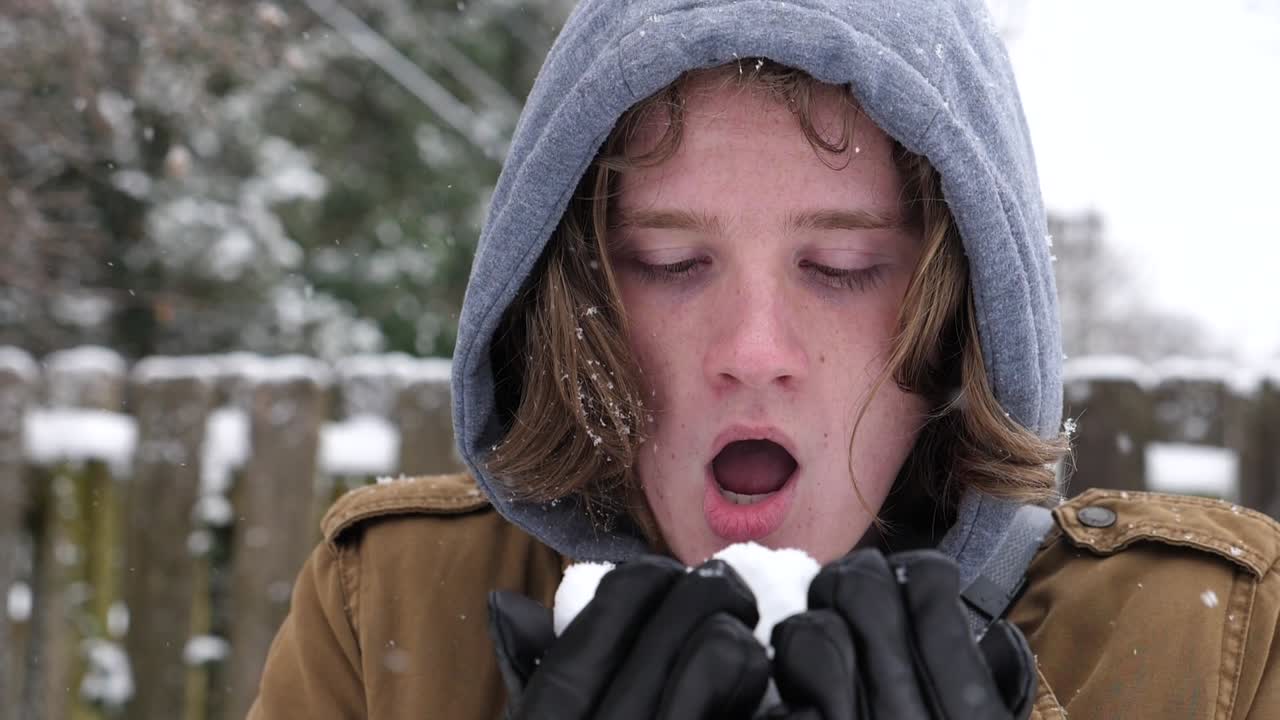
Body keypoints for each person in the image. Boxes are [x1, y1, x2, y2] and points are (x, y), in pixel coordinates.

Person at [249, 1, 1280, 718]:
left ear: (957, 318)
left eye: (840, 267)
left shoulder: (1217, 643)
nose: (751, 352)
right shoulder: (389, 609)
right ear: (574, 299)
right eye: (669, 262)